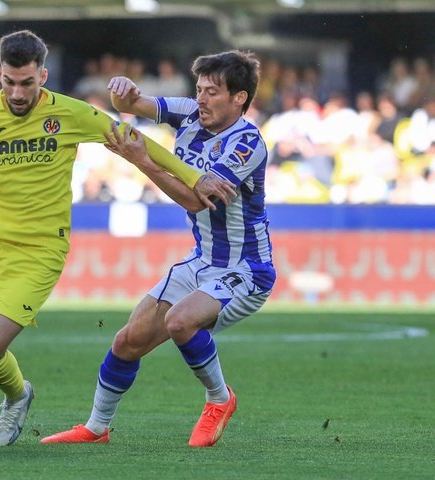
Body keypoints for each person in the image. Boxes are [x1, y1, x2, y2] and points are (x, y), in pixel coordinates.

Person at [0, 30, 230, 447]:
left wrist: (194, 176)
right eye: (9, 82)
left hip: (39, 252)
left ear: (42, 75)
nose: (18, 93)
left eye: (27, 83)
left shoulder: (73, 114)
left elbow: (138, 142)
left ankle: (17, 396)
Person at [40, 50, 276, 448]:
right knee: (127, 340)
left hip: (246, 268)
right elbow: (131, 105)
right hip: (200, 261)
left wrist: (142, 162)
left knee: (181, 322)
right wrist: (121, 92)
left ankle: (220, 399)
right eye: (199, 89)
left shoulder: (245, 144)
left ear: (239, 98)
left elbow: (196, 200)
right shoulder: (189, 112)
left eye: (212, 92)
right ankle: (97, 429)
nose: (201, 98)